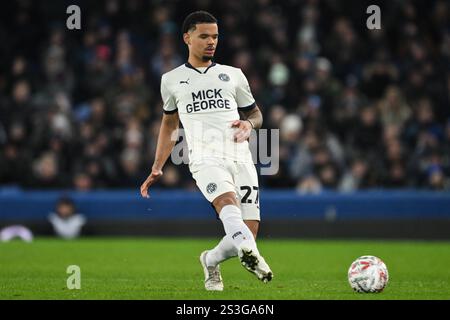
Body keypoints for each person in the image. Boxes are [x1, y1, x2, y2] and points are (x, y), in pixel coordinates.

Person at [140, 11, 273, 291]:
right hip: (203, 158)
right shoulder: (171, 80)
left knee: (248, 231)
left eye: (215, 36)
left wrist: (249, 125)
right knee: (226, 203)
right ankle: (255, 257)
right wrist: (157, 165)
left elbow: (256, 114)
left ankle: (210, 260)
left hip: (241, 157)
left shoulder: (233, 75)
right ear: (187, 38)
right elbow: (169, 125)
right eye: (204, 36)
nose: (211, 42)